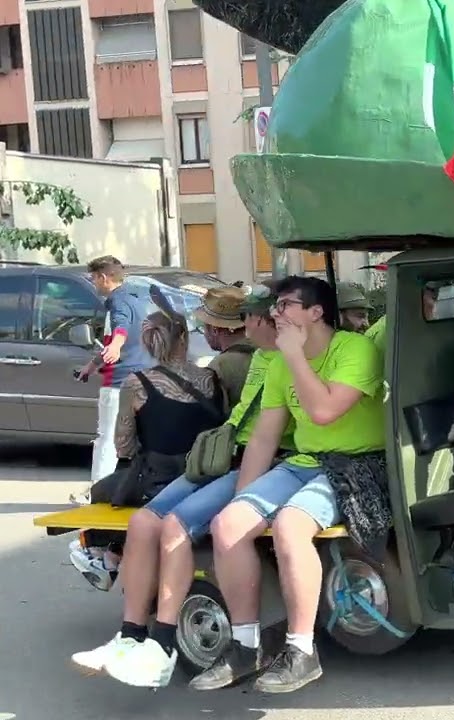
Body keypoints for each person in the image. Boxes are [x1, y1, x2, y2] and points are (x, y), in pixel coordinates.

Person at [77, 288, 293, 688]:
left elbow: (268, 436)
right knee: (143, 522)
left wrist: (244, 489)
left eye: (253, 318)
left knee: (168, 521)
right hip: (217, 458)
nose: (247, 325)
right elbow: (235, 419)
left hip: (242, 462)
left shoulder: (272, 363)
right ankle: (130, 636)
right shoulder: (249, 362)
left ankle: (161, 644)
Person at [190, 276, 386, 694]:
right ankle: (245, 647)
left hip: (355, 464)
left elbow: (323, 412)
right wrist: (243, 499)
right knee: (227, 526)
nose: (274, 314)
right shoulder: (280, 362)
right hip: (304, 462)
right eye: (275, 307)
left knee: (290, 525)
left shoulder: (355, 350)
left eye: (285, 306)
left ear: (316, 313)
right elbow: (264, 436)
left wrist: (295, 357)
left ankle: (301, 651)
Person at [67, 305, 226, 595]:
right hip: (209, 475)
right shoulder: (210, 379)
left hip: (159, 481)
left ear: (148, 344)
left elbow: (123, 444)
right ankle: (115, 557)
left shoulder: (136, 383)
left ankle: (109, 558)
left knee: (104, 491)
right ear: (184, 340)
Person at [73, 256, 154, 505]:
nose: (94, 284)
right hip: (143, 378)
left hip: (119, 380)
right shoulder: (136, 297)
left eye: (94, 278)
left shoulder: (117, 302)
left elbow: (121, 328)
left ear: (104, 277)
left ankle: (96, 493)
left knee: (107, 438)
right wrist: (92, 365)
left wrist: (117, 346)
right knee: (137, 439)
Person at [199, 286, 259, 409]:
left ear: (214, 329)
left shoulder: (220, 366)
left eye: (204, 327)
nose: (204, 333)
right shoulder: (265, 351)